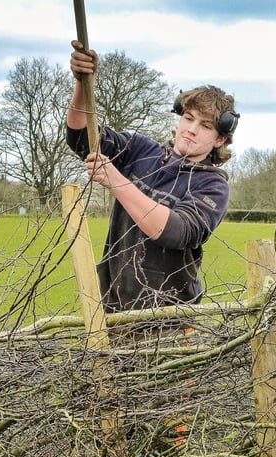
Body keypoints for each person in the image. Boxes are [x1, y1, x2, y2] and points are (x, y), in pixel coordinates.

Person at [66, 40, 237, 313]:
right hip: (112, 310)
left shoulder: (212, 185)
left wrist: (116, 181)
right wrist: (82, 85)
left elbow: (173, 231)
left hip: (169, 322)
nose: (191, 129)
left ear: (220, 140)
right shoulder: (140, 151)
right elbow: (80, 138)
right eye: (188, 118)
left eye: (205, 126)